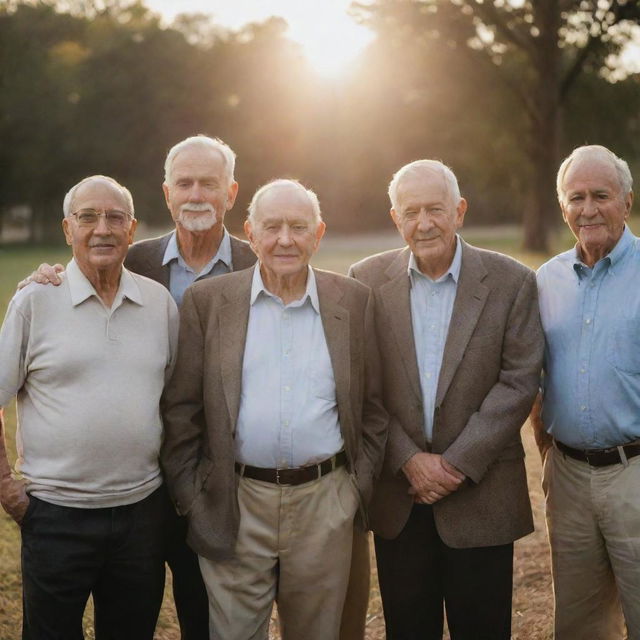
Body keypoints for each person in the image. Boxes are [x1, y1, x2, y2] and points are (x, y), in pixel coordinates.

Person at [18, 135, 370, 639]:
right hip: (141, 480)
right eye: (185, 183)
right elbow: (73, 283)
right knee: (138, 604)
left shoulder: (265, 259)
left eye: (210, 183)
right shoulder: (131, 259)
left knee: (209, 615)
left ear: (231, 194)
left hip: (230, 481)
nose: (196, 195)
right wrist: (42, 277)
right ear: (166, 193)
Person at [161, 178, 388, 640]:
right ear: (250, 231)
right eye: (272, 227)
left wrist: (353, 490)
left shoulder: (353, 301)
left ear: (318, 234)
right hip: (235, 499)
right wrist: (193, 496)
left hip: (326, 502)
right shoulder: (209, 302)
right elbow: (181, 409)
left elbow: (374, 409)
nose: (285, 239)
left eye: (298, 227)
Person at [349, 159, 543, 639]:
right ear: (395, 219)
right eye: (410, 212)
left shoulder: (511, 281)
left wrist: (454, 464)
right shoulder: (365, 280)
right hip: (401, 496)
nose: (424, 223)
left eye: (435, 209)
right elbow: (361, 386)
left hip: (483, 496)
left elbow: (519, 381)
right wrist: (409, 460)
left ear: (459, 210)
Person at [0, 175, 179, 639]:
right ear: (67, 229)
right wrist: (7, 488)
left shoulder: (159, 303)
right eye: (88, 217)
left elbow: (176, 397)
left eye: (115, 217)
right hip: (56, 516)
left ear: (132, 229)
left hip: (141, 514)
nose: (103, 228)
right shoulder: (35, 301)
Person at [532, 144, 640, 640]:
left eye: (602, 195)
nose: (588, 208)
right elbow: (534, 376)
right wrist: (550, 456)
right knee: (579, 625)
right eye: (576, 197)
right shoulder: (544, 281)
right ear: (562, 206)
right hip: (570, 477)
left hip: (635, 473)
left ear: (627, 202)